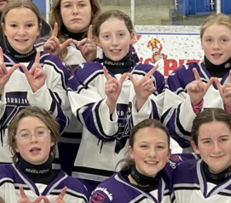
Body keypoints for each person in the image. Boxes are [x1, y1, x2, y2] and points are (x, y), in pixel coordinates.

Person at [0, 0, 71, 183]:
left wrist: (41, 91)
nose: (21, 32)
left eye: (29, 25)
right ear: (3, 28)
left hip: (43, 172)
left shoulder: (53, 66)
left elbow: (60, 126)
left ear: (39, 28)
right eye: (13, 25)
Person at [68, 10, 166, 189]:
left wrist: (141, 100)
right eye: (106, 36)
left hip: (137, 172)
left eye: (121, 35)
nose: (114, 42)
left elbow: (150, 134)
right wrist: (110, 102)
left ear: (133, 37)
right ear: (97, 41)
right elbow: (102, 129)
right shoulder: (84, 73)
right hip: (91, 171)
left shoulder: (150, 76)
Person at [163, 14, 231, 162]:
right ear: (201, 43)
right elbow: (175, 133)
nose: (216, 46)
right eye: (209, 40)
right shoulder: (183, 76)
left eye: (224, 40)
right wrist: (193, 104)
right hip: (193, 168)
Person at [42, 0, 104, 172]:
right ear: (58, 12)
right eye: (67, 6)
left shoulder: (109, 48)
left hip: (96, 140)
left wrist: (96, 61)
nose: (75, 11)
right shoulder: (43, 49)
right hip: (55, 142)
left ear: (93, 9)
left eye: (82, 5)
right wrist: (50, 61)